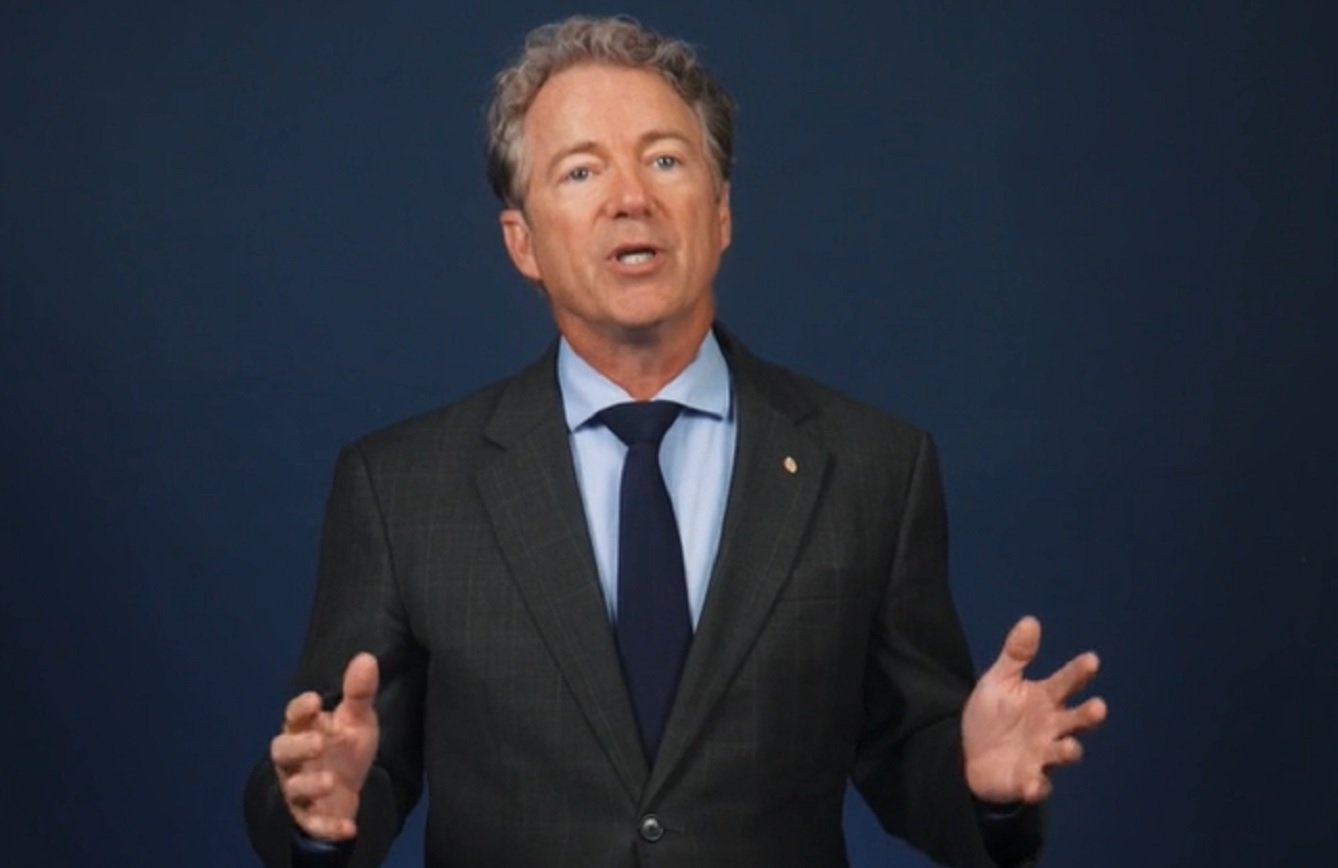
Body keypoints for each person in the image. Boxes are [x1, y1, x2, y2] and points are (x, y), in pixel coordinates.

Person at [244, 16, 1106, 868]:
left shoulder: (872, 468)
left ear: (721, 213)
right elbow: (341, 765)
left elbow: (908, 750)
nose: (631, 198)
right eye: (581, 170)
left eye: (664, 160)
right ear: (523, 242)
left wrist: (983, 788)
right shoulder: (402, 489)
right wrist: (317, 817)